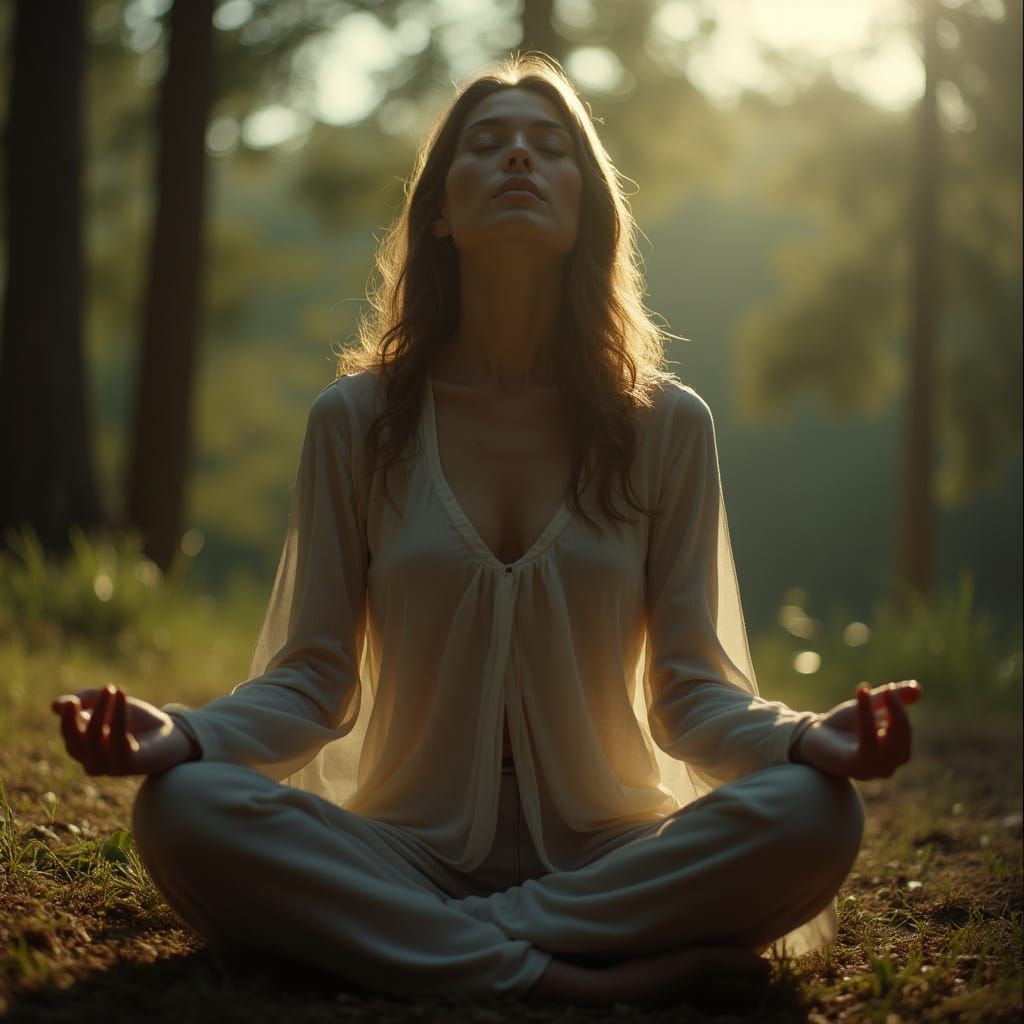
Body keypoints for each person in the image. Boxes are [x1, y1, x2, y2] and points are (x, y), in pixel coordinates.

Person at [51, 54, 922, 1008]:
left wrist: (806, 741)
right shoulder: (356, 422)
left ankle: (447, 951)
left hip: (612, 854)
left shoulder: (668, 427)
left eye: (551, 148)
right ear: (438, 211)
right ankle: (569, 979)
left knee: (814, 814)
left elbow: (691, 697)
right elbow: (311, 681)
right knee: (185, 807)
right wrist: (181, 733)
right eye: (488, 143)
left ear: (586, 208)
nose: (519, 158)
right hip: (400, 851)